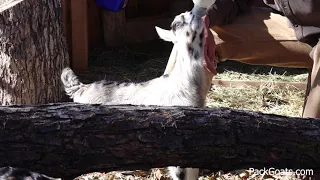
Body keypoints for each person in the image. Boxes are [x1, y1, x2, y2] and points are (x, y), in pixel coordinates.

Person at [165, 0, 320, 118]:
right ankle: (168, 130)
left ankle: (306, 150)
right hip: (290, 24)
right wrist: (204, 18)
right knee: (192, 36)